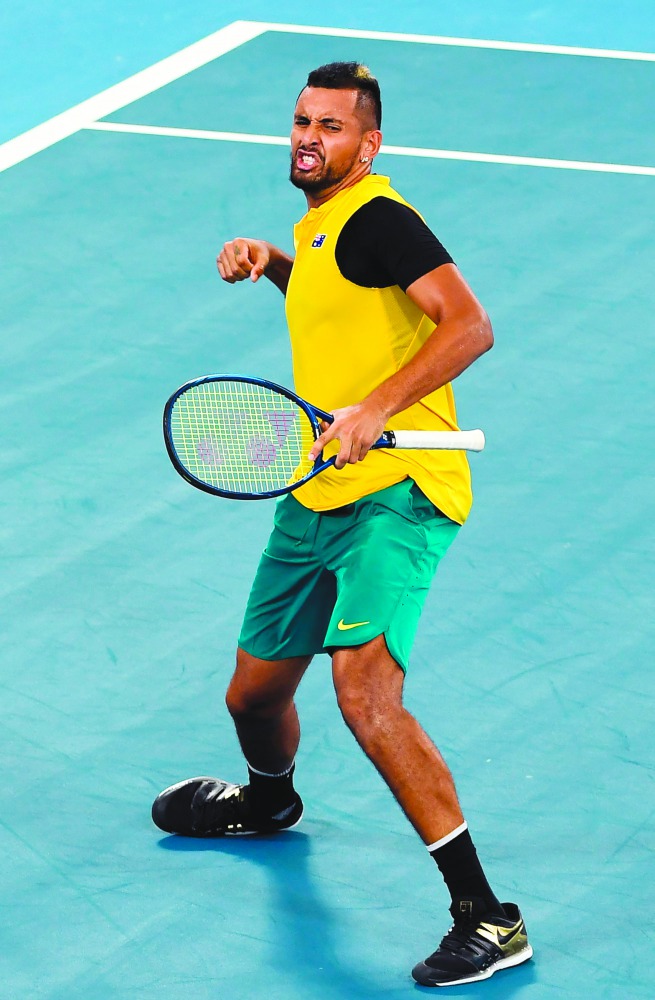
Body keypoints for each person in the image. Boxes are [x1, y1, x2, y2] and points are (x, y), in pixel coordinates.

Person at [152, 61, 532, 988]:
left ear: (370, 143)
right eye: (298, 121)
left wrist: (373, 408)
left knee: (364, 696)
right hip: (316, 484)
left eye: (328, 125)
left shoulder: (379, 219)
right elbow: (345, 314)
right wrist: (276, 264)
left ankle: (488, 916)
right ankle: (269, 802)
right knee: (252, 695)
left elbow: (468, 327)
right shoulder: (322, 227)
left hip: (398, 487)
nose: (306, 137)